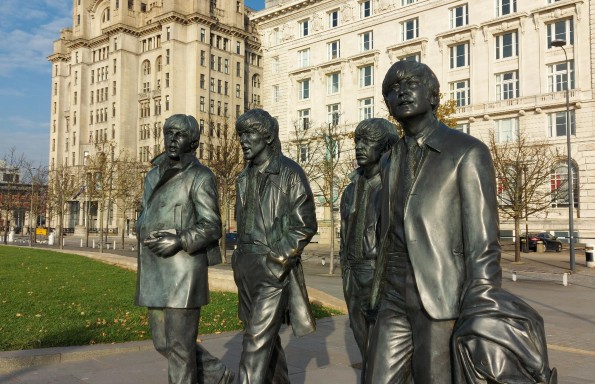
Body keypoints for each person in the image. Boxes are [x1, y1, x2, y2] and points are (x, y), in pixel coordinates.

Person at [365, 61, 555, 383]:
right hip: (391, 294)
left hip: (441, 293)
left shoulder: (467, 152)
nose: (401, 92)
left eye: (411, 83)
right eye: (392, 89)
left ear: (434, 96)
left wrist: (481, 300)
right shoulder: (388, 159)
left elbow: (483, 241)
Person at [135, 114, 233, 384]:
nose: (172, 139)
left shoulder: (200, 176)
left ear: (193, 141)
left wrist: (179, 239)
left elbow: (212, 225)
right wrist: (140, 224)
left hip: (183, 270)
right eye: (168, 133)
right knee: (163, 343)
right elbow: (145, 210)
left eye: (179, 135)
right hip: (154, 269)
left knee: (179, 347)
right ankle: (217, 374)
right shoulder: (153, 173)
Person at [233, 109, 318, 383]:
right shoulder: (243, 177)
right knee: (265, 342)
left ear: (267, 136)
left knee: (255, 346)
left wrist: (278, 259)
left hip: (273, 269)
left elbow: (304, 224)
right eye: (241, 135)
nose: (243, 141)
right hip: (246, 268)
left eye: (249, 134)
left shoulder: (290, 173)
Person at [338, 118, 396, 372]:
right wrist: (345, 269)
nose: (360, 146)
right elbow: (343, 234)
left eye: (368, 141)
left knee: (384, 350)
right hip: (353, 273)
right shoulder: (350, 190)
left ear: (385, 147)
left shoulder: (393, 188)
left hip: (379, 274)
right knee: (363, 341)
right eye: (357, 141)